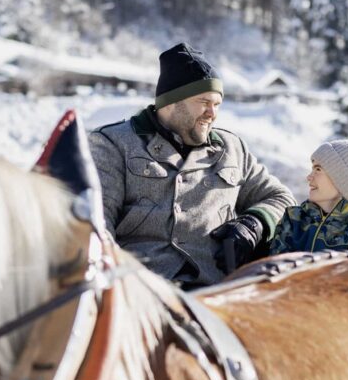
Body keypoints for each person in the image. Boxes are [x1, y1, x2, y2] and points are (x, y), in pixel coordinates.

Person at [88, 43, 295, 288]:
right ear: (171, 102)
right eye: (204, 101)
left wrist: (254, 223)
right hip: (141, 293)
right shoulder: (113, 143)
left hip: (217, 291)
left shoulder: (232, 149)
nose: (212, 113)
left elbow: (281, 198)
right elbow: (97, 223)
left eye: (217, 104)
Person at [270, 137, 348, 255]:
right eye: (312, 168)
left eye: (318, 169)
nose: (309, 177)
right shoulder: (294, 218)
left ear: (345, 180)